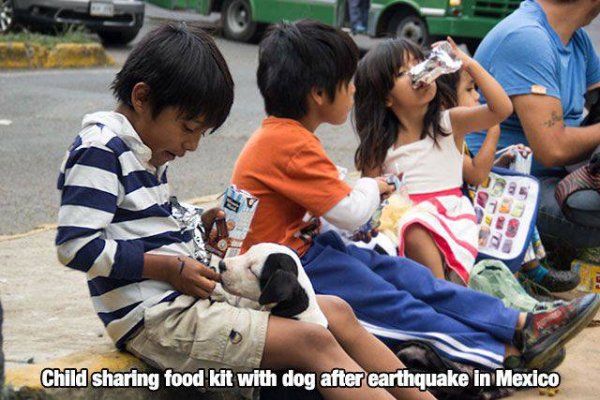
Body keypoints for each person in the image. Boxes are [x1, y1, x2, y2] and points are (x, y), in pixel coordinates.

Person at [55, 23, 436, 400]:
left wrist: (197, 220)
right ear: (142, 98)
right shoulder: (101, 150)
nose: (191, 145)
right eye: (188, 127)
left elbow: (144, 220)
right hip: (158, 320)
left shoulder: (145, 151)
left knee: (337, 311)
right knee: (313, 342)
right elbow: (77, 246)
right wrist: (169, 268)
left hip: (185, 302)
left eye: (200, 133)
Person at [231, 19, 600, 373]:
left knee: (412, 278)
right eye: (348, 83)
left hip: (311, 250)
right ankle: (500, 353)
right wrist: (372, 187)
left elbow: (328, 209)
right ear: (319, 93)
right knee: (396, 305)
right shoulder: (288, 144)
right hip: (292, 269)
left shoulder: (288, 138)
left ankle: (522, 323)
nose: (355, 91)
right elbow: (351, 211)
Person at [353, 38, 513, 283]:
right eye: (403, 73)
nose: (419, 74)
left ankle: (442, 296)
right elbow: (369, 200)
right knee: (400, 232)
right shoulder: (380, 145)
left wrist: (467, 64)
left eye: (420, 64)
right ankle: (438, 295)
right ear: (386, 98)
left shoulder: (448, 123)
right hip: (400, 223)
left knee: (415, 227)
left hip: (450, 218)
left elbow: (501, 109)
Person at [468, 0, 600, 250]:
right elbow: (553, 150)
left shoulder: (576, 38)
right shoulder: (527, 39)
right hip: (508, 189)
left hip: (558, 176)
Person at [437, 69, 580, 293]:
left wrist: (502, 161)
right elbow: (476, 174)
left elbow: (473, 174)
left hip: (468, 202)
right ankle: (527, 276)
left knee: (518, 197)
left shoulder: (455, 134)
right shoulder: (444, 137)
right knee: (513, 211)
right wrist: (494, 129)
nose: (476, 96)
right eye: (469, 89)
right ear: (446, 102)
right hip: (457, 216)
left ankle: (533, 269)